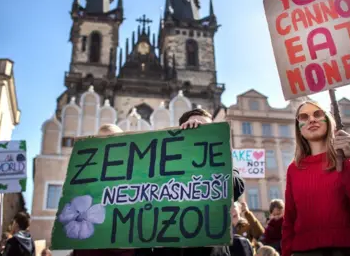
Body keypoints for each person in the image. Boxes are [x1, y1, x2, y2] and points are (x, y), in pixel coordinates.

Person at [281, 101, 350, 256]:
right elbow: (290, 218)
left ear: (329, 119)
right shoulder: (294, 168)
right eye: (304, 117)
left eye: (317, 114)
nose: (311, 119)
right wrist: (287, 252)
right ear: (298, 127)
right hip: (307, 252)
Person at [149, 108, 246, 256]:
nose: (199, 130)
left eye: (206, 128)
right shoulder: (164, 162)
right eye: (193, 126)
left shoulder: (221, 159)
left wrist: (211, 149)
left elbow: (236, 187)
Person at [72, 124, 142, 256]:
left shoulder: (137, 176)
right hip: (91, 248)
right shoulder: (84, 175)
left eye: (114, 140)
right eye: (102, 142)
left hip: (125, 248)